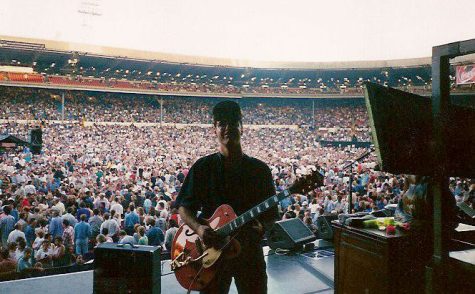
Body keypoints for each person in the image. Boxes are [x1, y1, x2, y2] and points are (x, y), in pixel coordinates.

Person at [176, 101, 278, 294]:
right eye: (222, 124)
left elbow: (272, 213)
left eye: (233, 123)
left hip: (249, 254)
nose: (228, 128)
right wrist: (199, 228)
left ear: (242, 127)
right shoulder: (203, 167)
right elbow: (183, 207)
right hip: (212, 254)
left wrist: (263, 226)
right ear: (214, 129)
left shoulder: (260, 170)